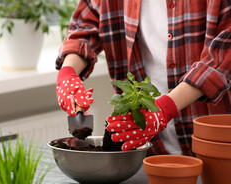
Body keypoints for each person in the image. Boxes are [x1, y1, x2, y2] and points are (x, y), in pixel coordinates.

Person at [55, 0, 231, 156]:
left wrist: (165, 109)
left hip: (218, 149)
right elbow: (84, 27)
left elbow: (224, 53)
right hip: (151, 148)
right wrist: (67, 72)